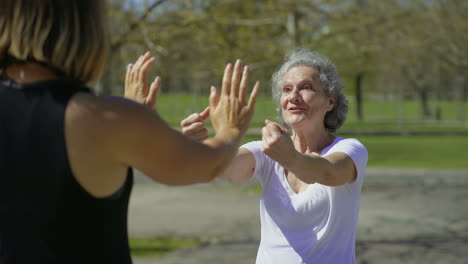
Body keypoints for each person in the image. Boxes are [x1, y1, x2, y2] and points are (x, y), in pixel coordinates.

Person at [0, 0, 259, 263]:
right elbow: (207, 165)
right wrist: (230, 130)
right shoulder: (99, 119)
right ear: (82, 29)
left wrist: (132, 118)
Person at [179, 49, 368, 263]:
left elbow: (328, 172)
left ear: (330, 102)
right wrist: (203, 146)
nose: (293, 96)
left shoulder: (351, 150)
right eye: (286, 89)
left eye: (306, 87)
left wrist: (290, 157)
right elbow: (226, 168)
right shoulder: (267, 150)